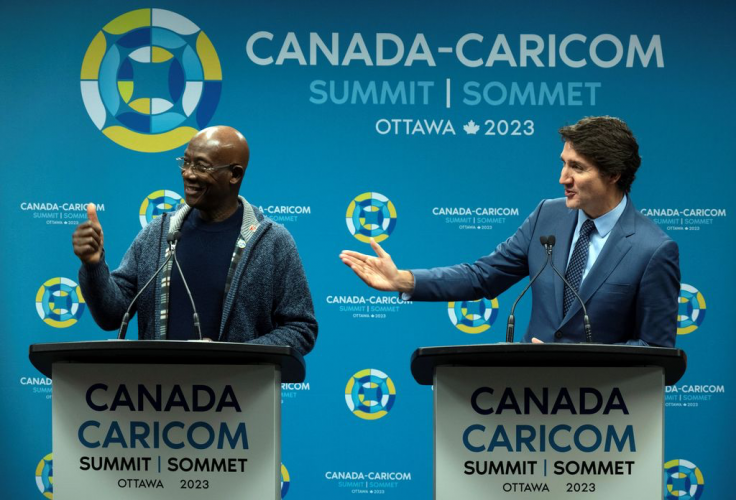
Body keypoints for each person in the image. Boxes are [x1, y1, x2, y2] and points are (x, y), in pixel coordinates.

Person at [340, 116, 679, 347]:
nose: (563, 178)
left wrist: (582, 363)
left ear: (614, 174)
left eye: (577, 167)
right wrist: (404, 280)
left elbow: (655, 350)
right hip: (524, 403)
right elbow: (483, 276)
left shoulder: (652, 249)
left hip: (607, 417)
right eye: (563, 163)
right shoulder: (548, 216)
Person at [72, 126, 317, 355]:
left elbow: (300, 328)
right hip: (154, 394)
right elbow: (111, 315)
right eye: (186, 162)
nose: (188, 174)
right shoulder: (157, 234)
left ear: (234, 174)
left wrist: (231, 356)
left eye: (201, 166)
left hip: (238, 396)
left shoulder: (272, 241)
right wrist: (93, 265)